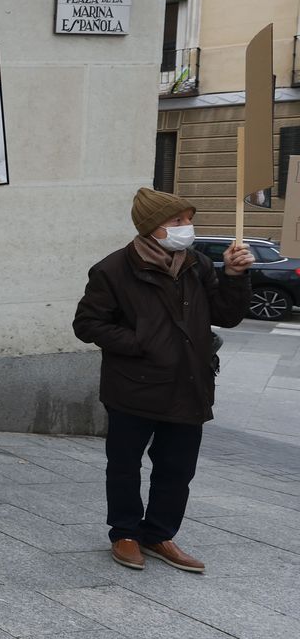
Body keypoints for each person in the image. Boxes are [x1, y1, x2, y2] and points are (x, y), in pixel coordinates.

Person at [73, 188, 251, 573]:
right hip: (133, 385)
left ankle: (158, 534)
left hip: (189, 384)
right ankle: (124, 533)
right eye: (177, 221)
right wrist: (141, 342)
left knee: (177, 469)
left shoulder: (198, 264)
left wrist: (235, 276)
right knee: (124, 465)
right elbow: (87, 324)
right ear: (152, 228)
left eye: (188, 220)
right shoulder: (114, 269)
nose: (186, 228)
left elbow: (226, 314)